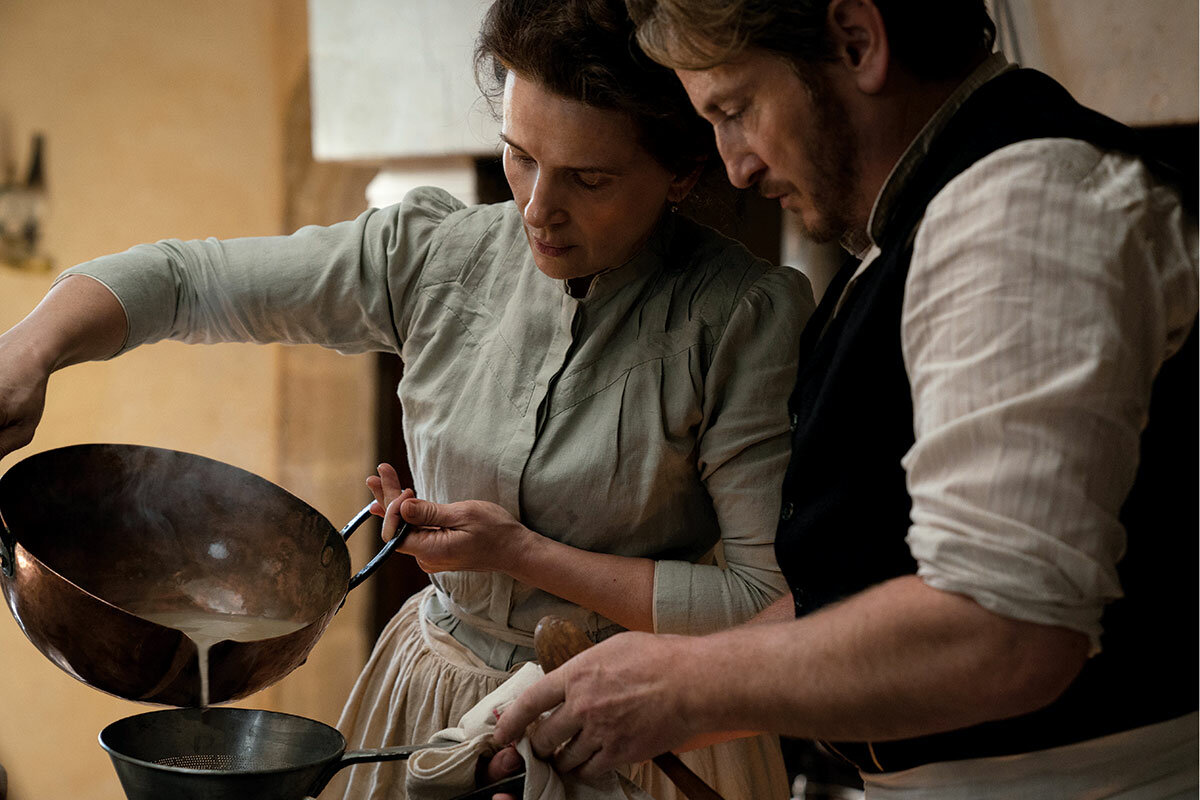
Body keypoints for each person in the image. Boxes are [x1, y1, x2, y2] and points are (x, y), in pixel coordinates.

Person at [0, 1, 814, 798]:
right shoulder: (432, 255)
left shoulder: (740, 318)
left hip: (636, 726)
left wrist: (522, 555)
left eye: (589, 179)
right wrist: (29, 350)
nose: (537, 209)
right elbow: (187, 282)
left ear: (684, 172)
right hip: (432, 702)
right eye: (520, 156)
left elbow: (767, 606)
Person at [492, 1, 1199, 797]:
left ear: (858, 41)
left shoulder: (1025, 209)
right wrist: (617, 701)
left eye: (735, 109)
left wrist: (681, 686)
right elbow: (858, 589)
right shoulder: (925, 220)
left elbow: (1005, 630)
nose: (735, 167)